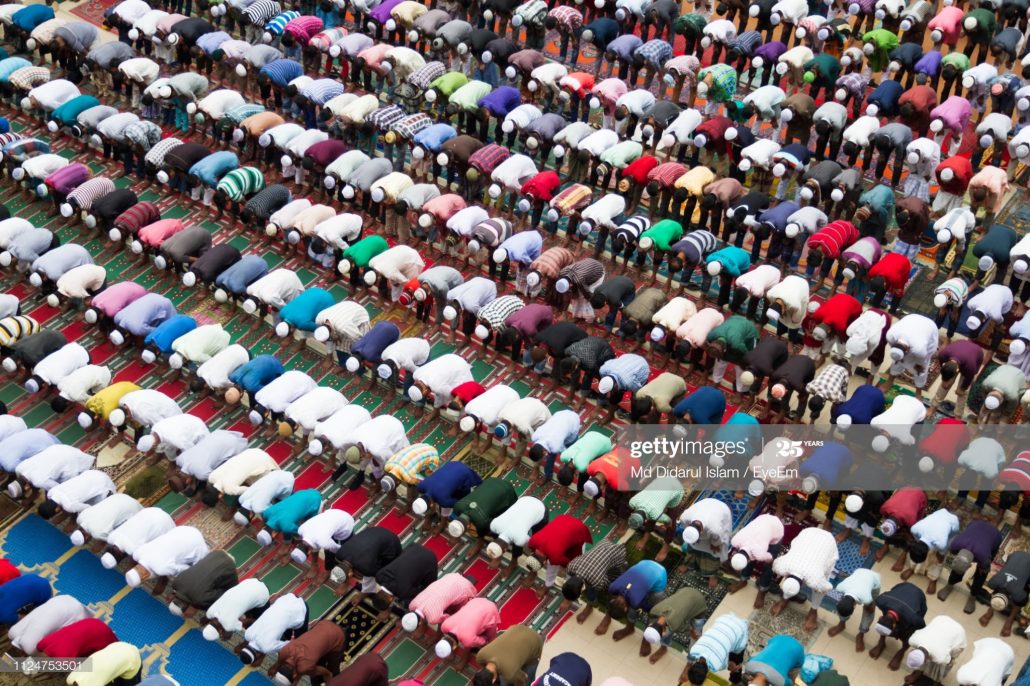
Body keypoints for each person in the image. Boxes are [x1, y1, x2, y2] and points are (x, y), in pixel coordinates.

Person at [597, 559, 667, 640]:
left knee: (653, 610)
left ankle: (640, 635)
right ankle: (618, 623)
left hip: (661, 574)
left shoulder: (635, 601)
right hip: (645, 562)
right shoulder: (612, 588)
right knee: (634, 606)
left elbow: (649, 608)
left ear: (626, 608)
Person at [267, 620, 346, 685]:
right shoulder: (283, 652)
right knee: (313, 660)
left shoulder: (304, 667)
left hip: (338, 636)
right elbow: (278, 665)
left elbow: (325, 672)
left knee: (333, 670)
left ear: (294, 675)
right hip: (323, 623)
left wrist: (329, 675)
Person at [640, 586, 707, 664]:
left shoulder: (675, 624)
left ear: (663, 632)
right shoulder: (654, 611)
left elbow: (690, 630)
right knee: (671, 626)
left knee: (695, 637)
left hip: (699, 603)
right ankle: (663, 648)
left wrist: (693, 634)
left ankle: (690, 662)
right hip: (684, 590)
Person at [872, 582, 928, 671]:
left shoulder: (913, 618)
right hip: (902, 586)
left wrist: (907, 631)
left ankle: (901, 652)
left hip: (919, 596)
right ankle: (881, 643)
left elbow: (922, 626)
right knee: (885, 625)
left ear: (894, 625)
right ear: (881, 617)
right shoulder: (880, 600)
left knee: (908, 637)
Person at [684, 612, 748, 686]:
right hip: (724, 619)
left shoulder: (717, 665)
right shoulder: (694, 650)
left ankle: (735, 682)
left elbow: (730, 664)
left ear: (707, 675)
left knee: (736, 661)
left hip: (740, 629)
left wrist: (733, 666)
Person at [828, 568, 882, 652]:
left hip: (874, 580)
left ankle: (861, 634)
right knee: (843, 607)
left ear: (854, 606)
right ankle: (841, 624)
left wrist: (870, 606)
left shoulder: (866, 598)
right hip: (859, 572)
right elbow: (843, 604)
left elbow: (871, 609)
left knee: (868, 611)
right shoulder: (840, 587)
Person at [904, 615, 967, 686]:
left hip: (958, 634)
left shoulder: (940, 658)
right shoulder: (912, 640)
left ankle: (937, 681)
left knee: (945, 665)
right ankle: (918, 673)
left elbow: (946, 662)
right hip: (941, 619)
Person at [472, 624, 544, 686]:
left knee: (529, 676)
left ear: (493, 680)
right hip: (518, 628)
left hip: (535, 641)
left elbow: (524, 677)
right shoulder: (480, 656)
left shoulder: (509, 673)